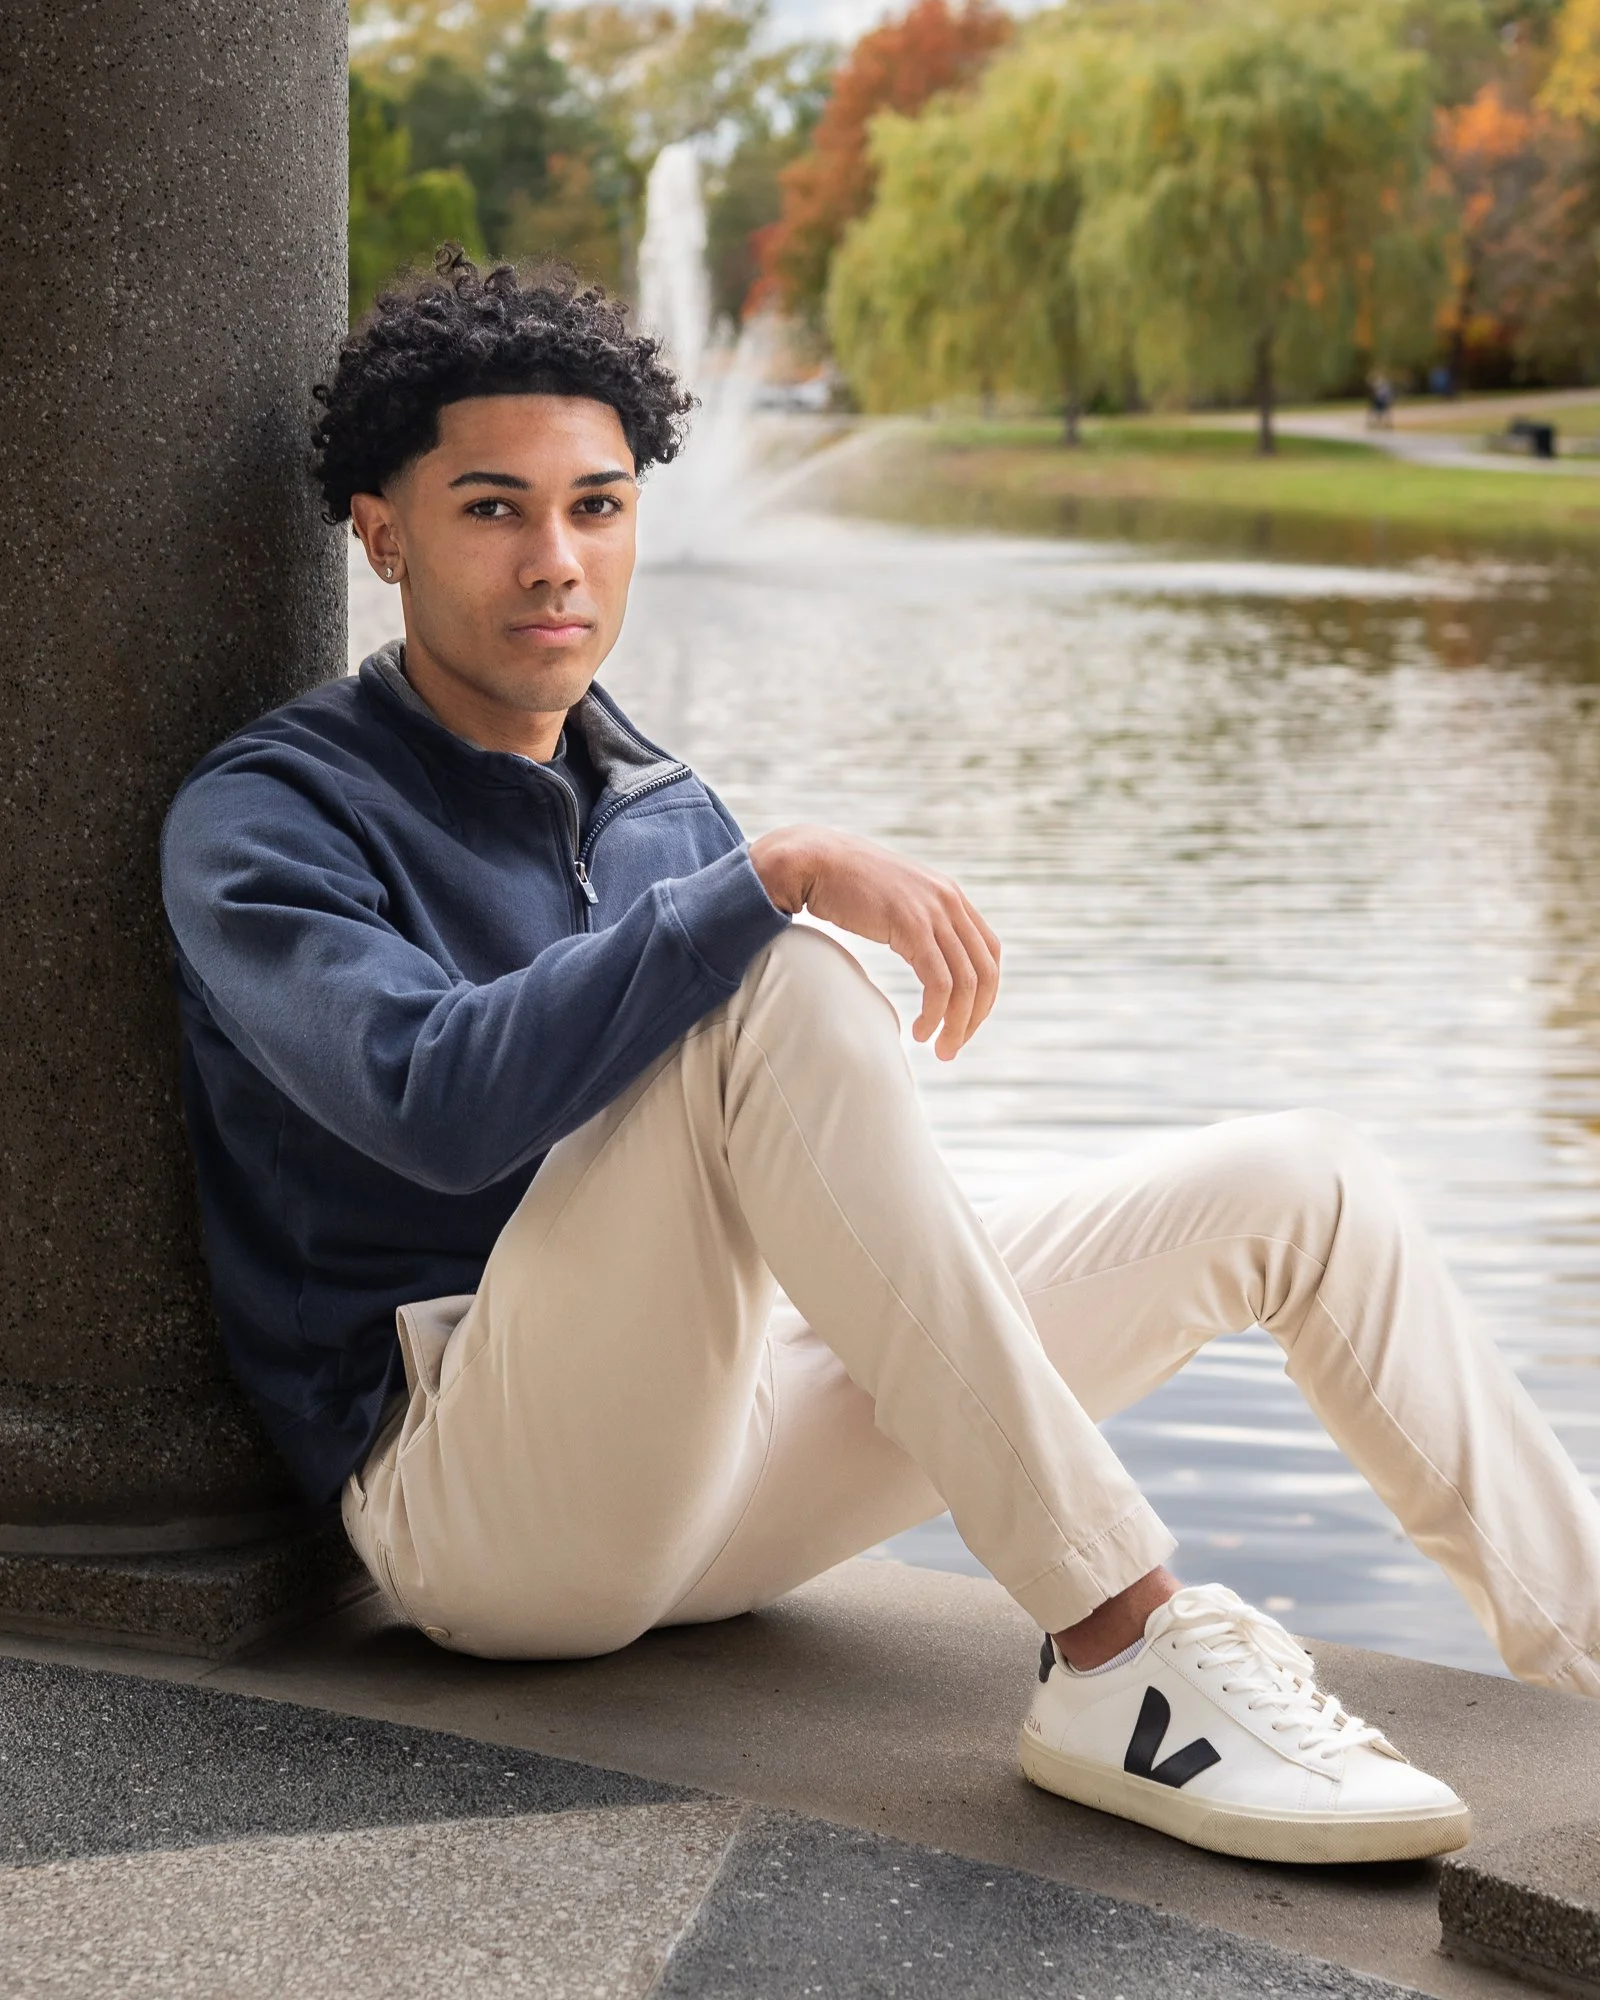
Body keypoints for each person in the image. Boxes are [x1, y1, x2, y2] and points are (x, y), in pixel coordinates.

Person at [162, 253, 1600, 1870]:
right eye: (495, 508)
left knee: (1303, 1179)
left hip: (720, 1459)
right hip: (478, 1510)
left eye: (600, 505)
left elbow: (807, 1193)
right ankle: (1123, 1652)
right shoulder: (264, 816)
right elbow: (432, 1104)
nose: (557, 560)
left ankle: (1593, 1664)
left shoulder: (654, 807)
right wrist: (768, 879)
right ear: (384, 532)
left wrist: (743, 887)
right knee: (780, 962)